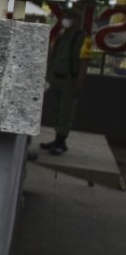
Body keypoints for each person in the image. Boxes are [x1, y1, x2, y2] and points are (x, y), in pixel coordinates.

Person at [39, 11, 86, 155]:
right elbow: (54, 55)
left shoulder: (82, 37)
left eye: (70, 17)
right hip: (55, 78)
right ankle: (58, 139)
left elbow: (85, 61)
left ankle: (60, 141)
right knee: (55, 110)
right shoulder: (61, 34)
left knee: (65, 112)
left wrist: (80, 82)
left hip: (69, 80)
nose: (67, 20)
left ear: (77, 20)